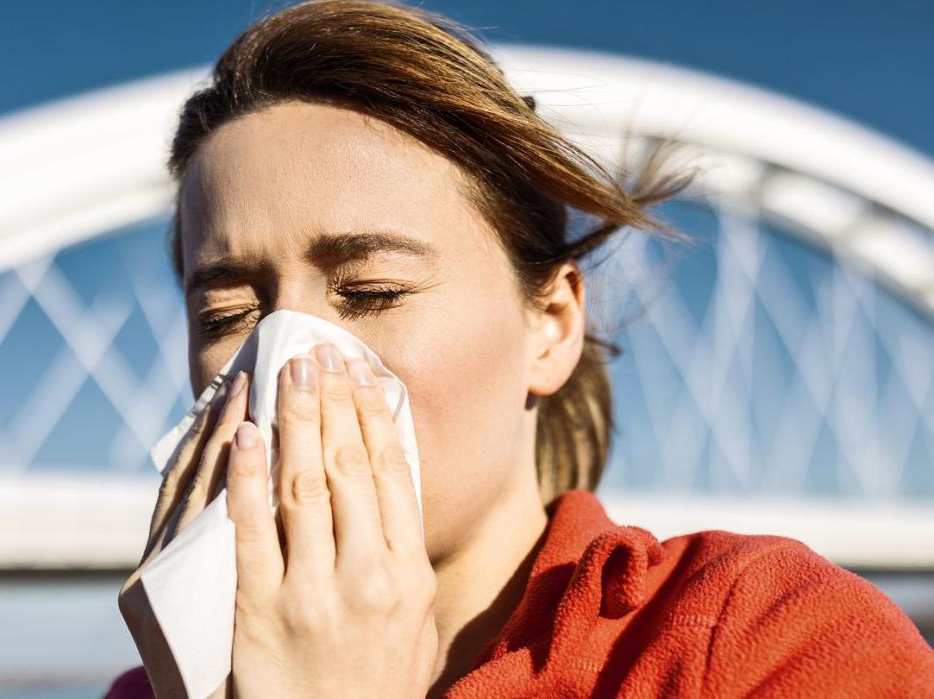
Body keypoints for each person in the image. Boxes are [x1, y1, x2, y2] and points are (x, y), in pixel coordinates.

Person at [106, 0, 934, 696]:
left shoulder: (759, 638)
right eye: (226, 315)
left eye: (371, 291)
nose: (287, 363)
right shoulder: (158, 685)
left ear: (551, 324)